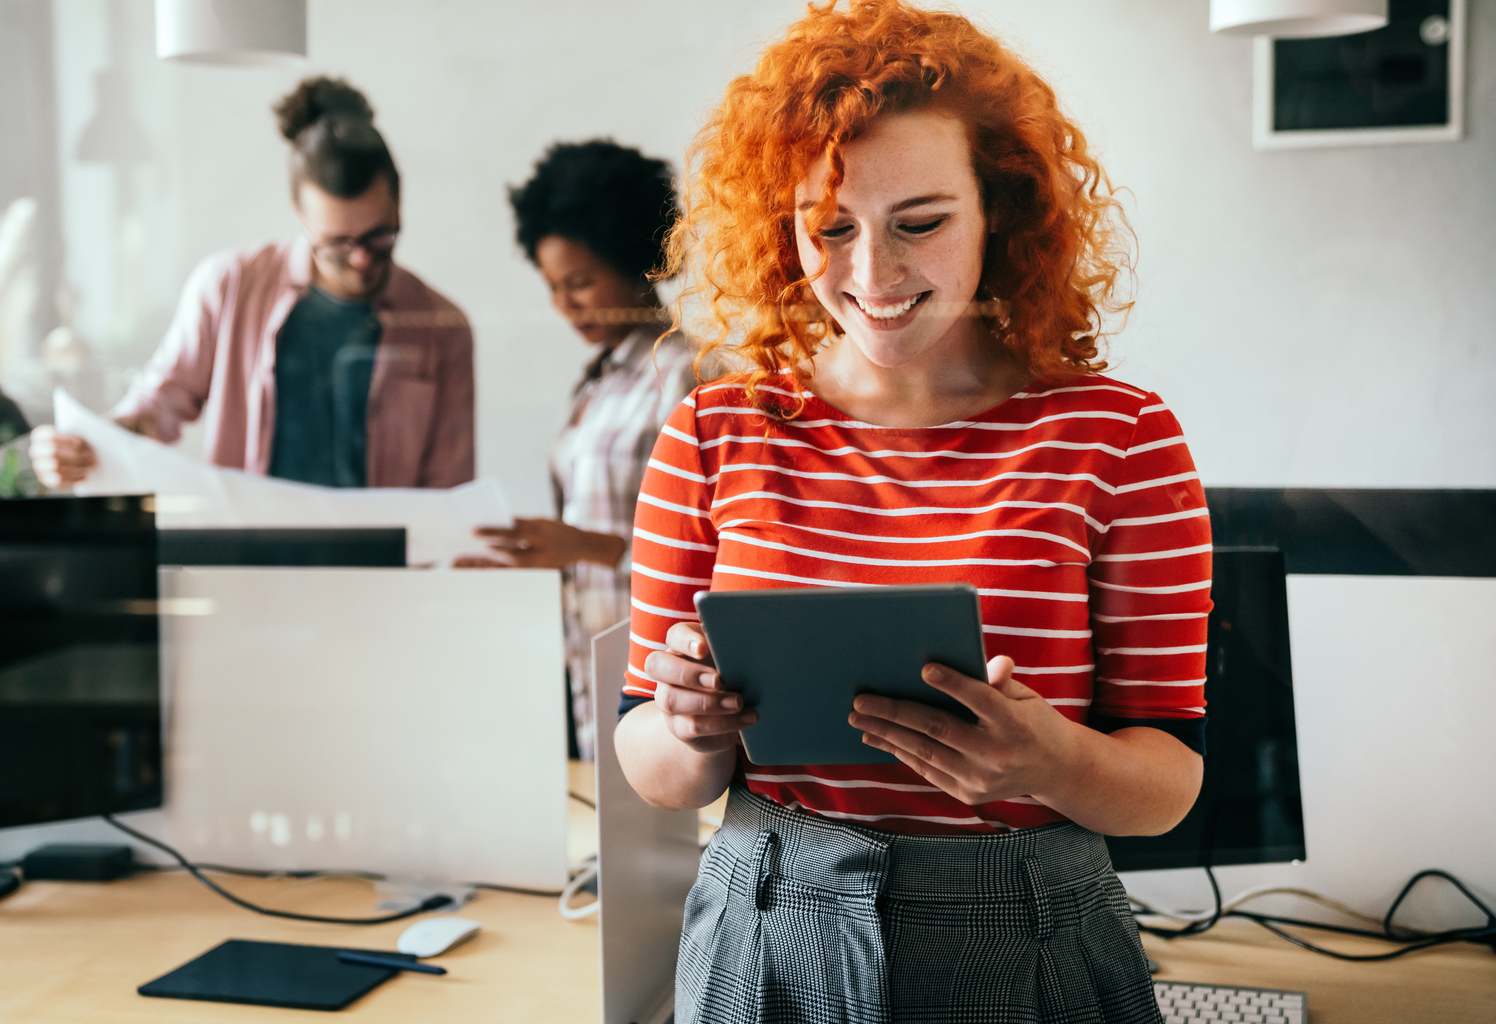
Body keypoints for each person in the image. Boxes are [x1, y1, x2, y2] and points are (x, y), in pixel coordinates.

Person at [614, 3, 1211, 1021]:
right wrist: (688, 722)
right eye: (830, 229)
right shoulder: (716, 431)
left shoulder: (1121, 437)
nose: (872, 275)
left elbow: (1168, 784)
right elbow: (657, 770)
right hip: (767, 922)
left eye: (920, 224)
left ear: (1000, 212)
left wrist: (1050, 757)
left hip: (1031, 931)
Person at [29, 77, 473, 491]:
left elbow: (450, 497)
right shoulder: (229, 286)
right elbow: (156, 408)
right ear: (299, 213)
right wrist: (83, 447)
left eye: (380, 237)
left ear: (399, 200)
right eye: (337, 243)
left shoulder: (442, 328)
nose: (360, 258)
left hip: (387, 573)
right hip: (242, 562)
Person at [464, 141, 695, 762]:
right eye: (552, 286)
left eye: (581, 282)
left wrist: (585, 548)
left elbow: (712, 557)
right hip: (590, 663)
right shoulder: (593, 387)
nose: (564, 304)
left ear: (634, 260)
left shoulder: (685, 375)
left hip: (666, 672)